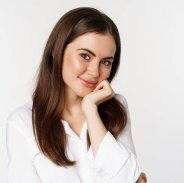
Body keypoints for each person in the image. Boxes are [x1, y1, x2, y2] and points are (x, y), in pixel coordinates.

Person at [6, 7, 147, 183]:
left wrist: (91, 110)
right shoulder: (23, 123)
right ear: (56, 50)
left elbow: (128, 179)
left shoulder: (117, 108)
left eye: (105, 62)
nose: (95, 72)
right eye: (85, 56)